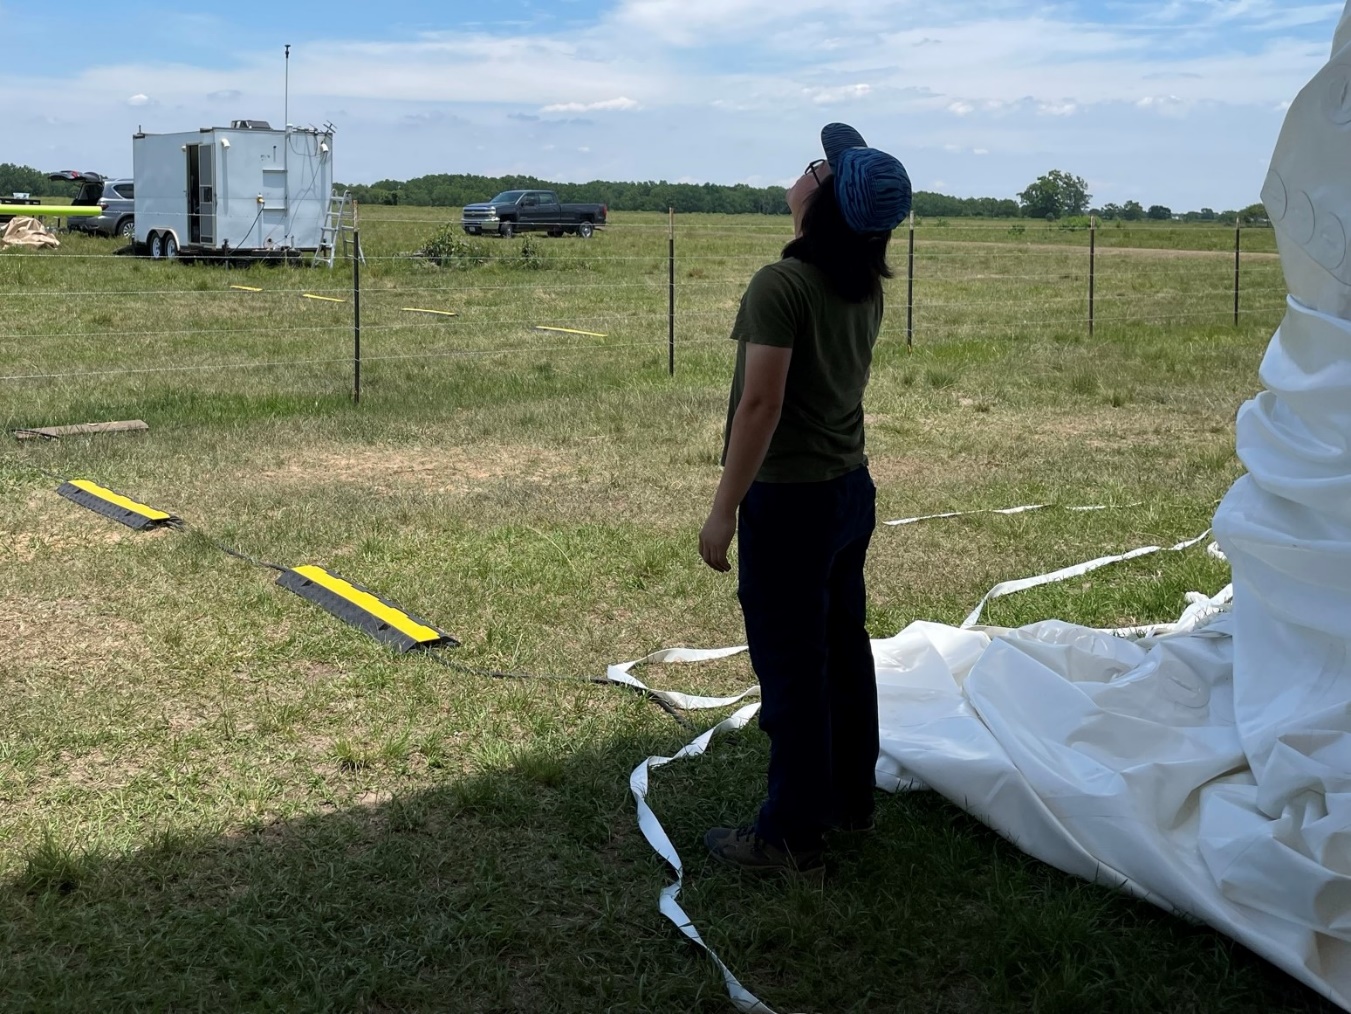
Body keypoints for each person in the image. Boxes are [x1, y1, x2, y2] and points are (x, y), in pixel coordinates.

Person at [698, 123, 911, 876]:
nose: (803, 171)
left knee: (792, 666)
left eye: (814, 168)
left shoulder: (781, 284)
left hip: (789, 502)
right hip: (848, 489)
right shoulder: (862, 284)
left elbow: (760, 405)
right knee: (842, 651)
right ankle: (850, 801)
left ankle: (786, 836)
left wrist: (724, 507)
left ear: (819, 205)